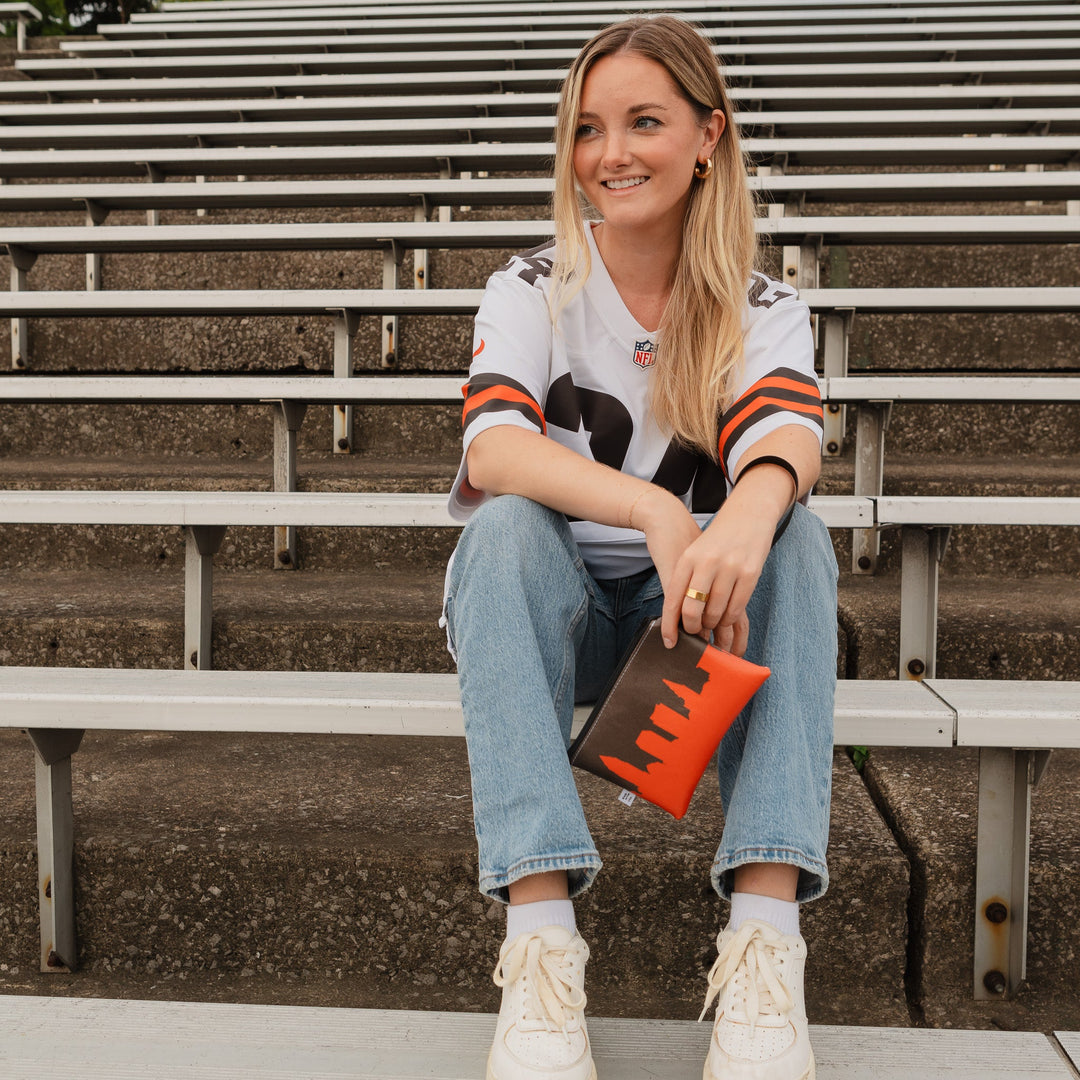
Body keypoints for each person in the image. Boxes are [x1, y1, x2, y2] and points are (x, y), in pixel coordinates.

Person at [442, 15, 838, 1080]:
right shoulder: (532, 286)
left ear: (710, 135)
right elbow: (496, 443)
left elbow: (790, 431)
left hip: (702, 623)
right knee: (505, 532)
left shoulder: (762, 304)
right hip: (562, 621)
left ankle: (765, 954)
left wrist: (743, 521)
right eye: (587, 128)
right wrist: (660, 515)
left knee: (797, 535)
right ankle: (539, 952)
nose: (610, 152)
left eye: (644, 122)